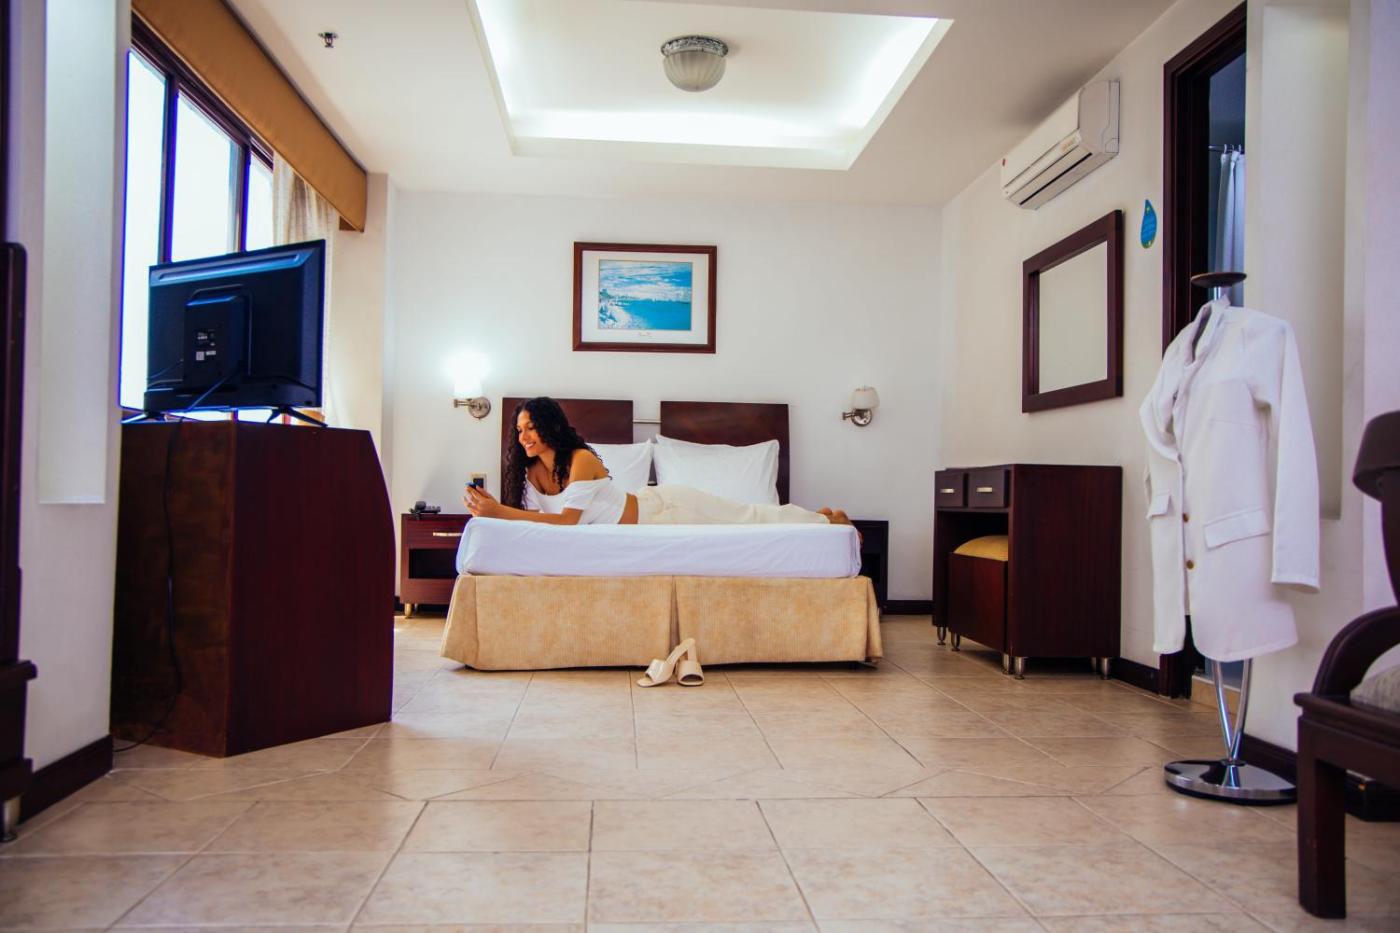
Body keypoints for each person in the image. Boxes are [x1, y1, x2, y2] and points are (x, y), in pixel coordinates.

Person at [462, 396, 855, 528]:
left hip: (666, 509)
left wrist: (498, 513)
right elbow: (533, 520)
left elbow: (567, 522)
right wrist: (494, 511)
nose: (524, 436)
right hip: (653, 514)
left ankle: (823, 521)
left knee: (746, 516)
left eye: (531, 428)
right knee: (744, 517)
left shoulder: (580, 460)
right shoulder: (531, 472)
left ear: (549, 427)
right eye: (519, 430)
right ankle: (816, 517)